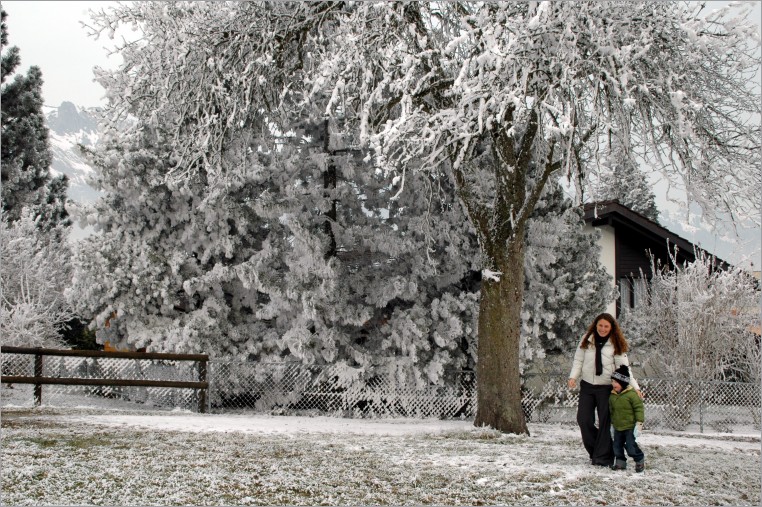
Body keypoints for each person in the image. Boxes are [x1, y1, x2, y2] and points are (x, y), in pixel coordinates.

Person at [567, 312, 640, 467]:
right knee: (583, 419)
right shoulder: (587, 338)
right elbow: (578, 359)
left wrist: (635, 387)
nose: (603, 329)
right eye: (600, 325)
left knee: (605, 422)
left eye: (606, 326)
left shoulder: (616, 343)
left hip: (607, 387)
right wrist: (573, 377)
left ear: (611, 327)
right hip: (587, 386)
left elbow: (624, 368)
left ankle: (602, 457)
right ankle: (596, 451)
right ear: (595, 325)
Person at [609, 364, 646, 472]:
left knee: (630, 446)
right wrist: (612, 424)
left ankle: (639, 459)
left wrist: (639, 423)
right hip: (617, 427)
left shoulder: (631, 395)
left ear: (623, 382)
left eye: (616, 382)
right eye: (612, 382)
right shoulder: (612, 395)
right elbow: (612, 411)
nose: (613, 384)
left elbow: (639, 408)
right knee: (616, 446)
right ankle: (620, 463)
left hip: (629, 427)